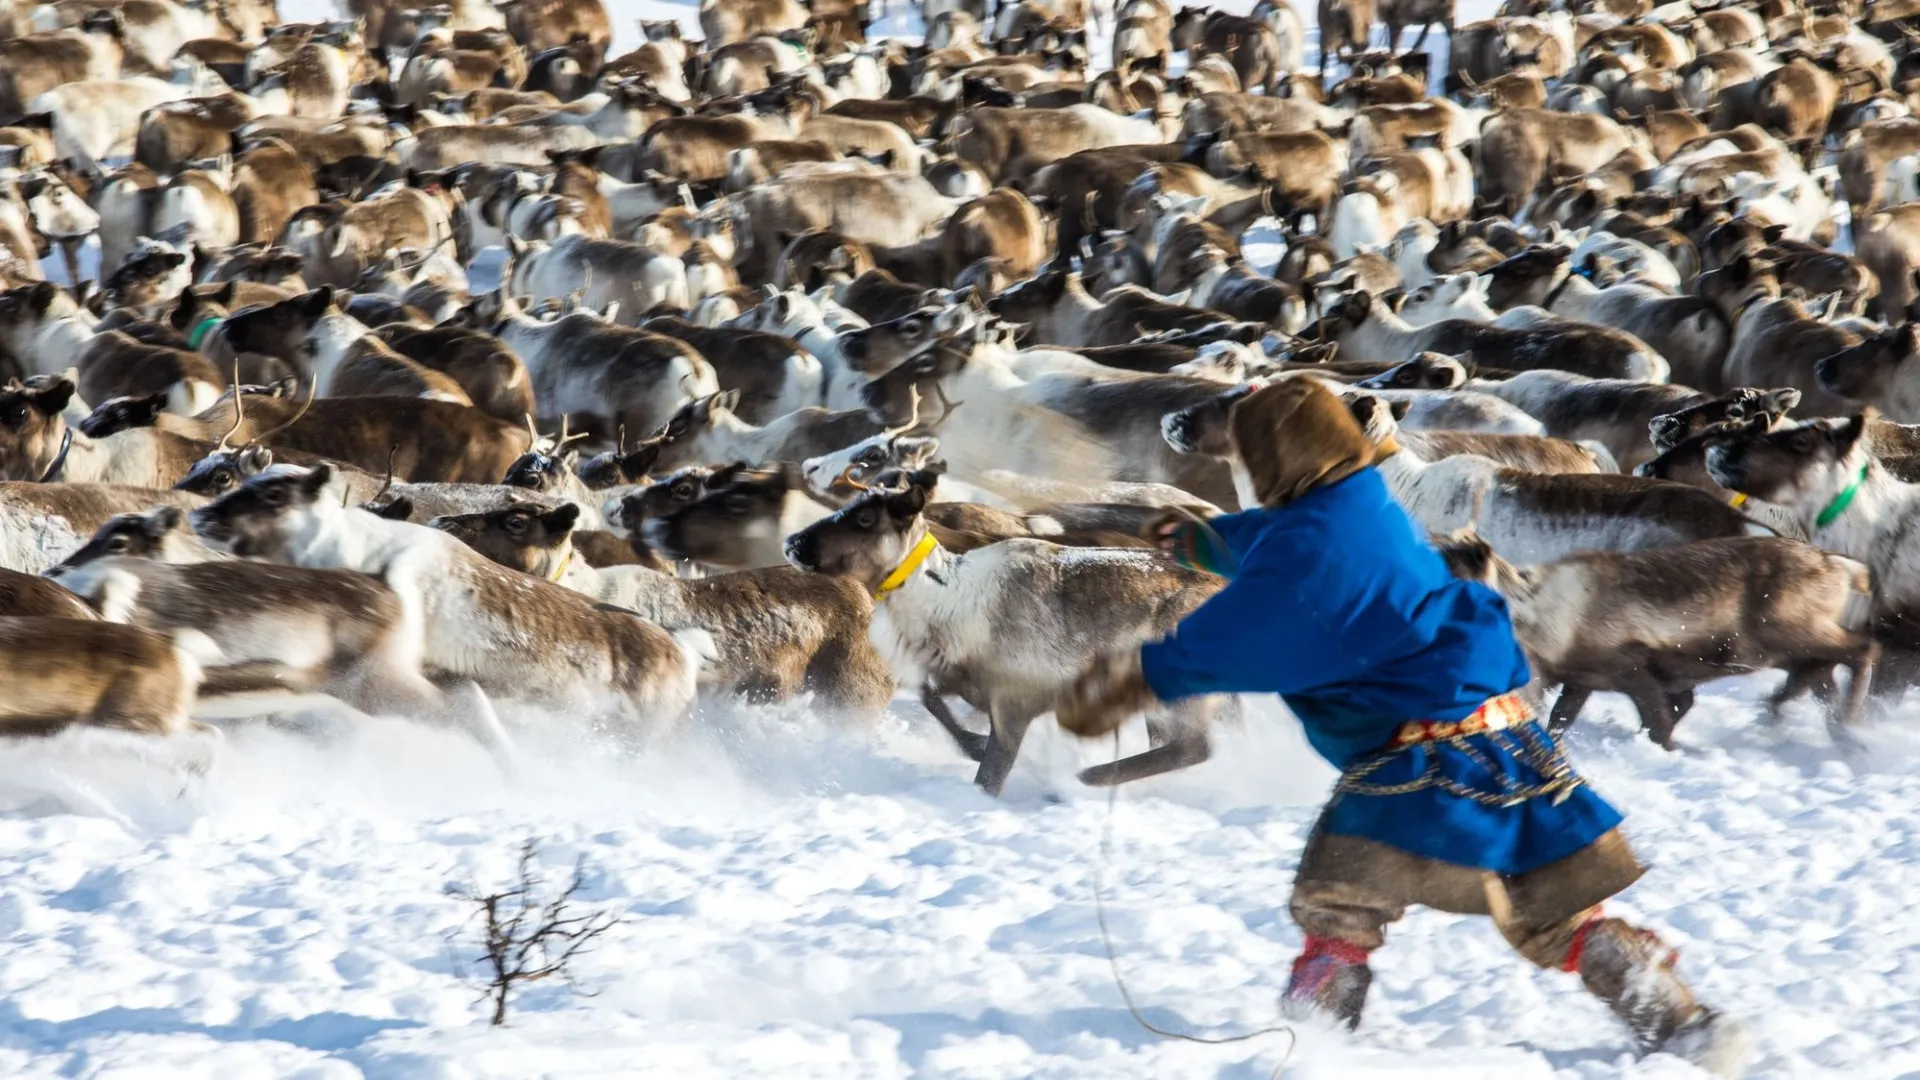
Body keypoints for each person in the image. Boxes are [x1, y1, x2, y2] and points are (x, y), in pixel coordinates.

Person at [1056, 379, 1750, 1076]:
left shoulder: (1310, 562)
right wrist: (1204, 543)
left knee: (1337, 904)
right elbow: (1284, 540)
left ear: (1272, 458)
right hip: (1503, 742)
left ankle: (1312, 1042)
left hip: (1417, 767)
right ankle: (1678, 1020)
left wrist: (1126, 683)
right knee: (1557, 913)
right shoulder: (1360, 501)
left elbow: (1238, 634)